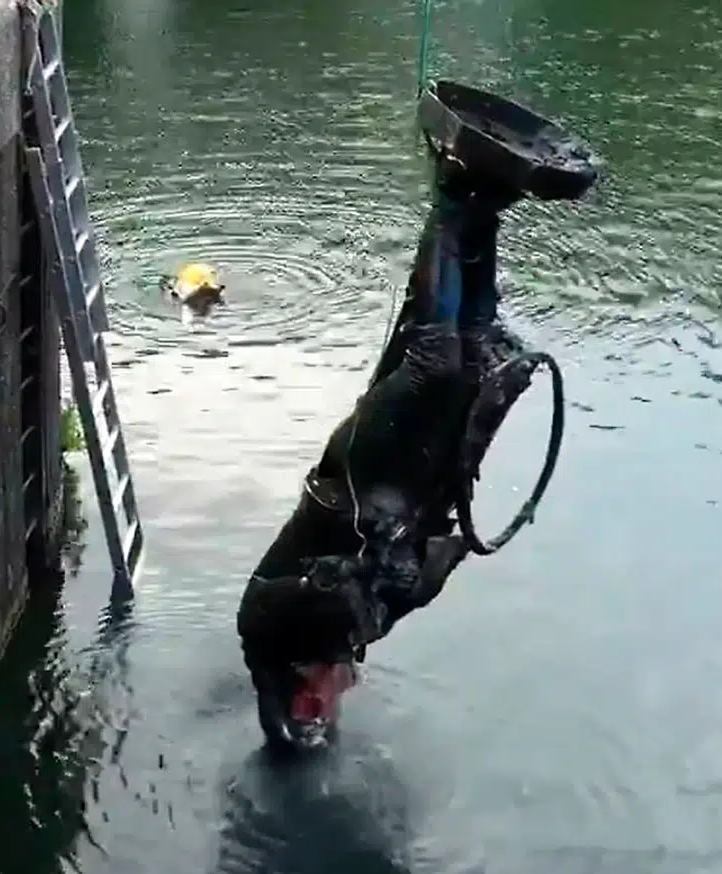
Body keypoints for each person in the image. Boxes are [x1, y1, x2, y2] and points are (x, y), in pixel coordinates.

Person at [235, 81, 596, 755]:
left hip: (362, 469)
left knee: (436, 363)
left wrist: (361, 583)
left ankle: (453, 193)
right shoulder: (355, 635)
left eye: (332, 696)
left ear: (308, 693)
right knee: (481, 349)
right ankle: (488, 205)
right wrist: (446, 557)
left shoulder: (267, 632)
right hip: (426, 479)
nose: (352, 687)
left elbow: (302, 593)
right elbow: (423, 576)